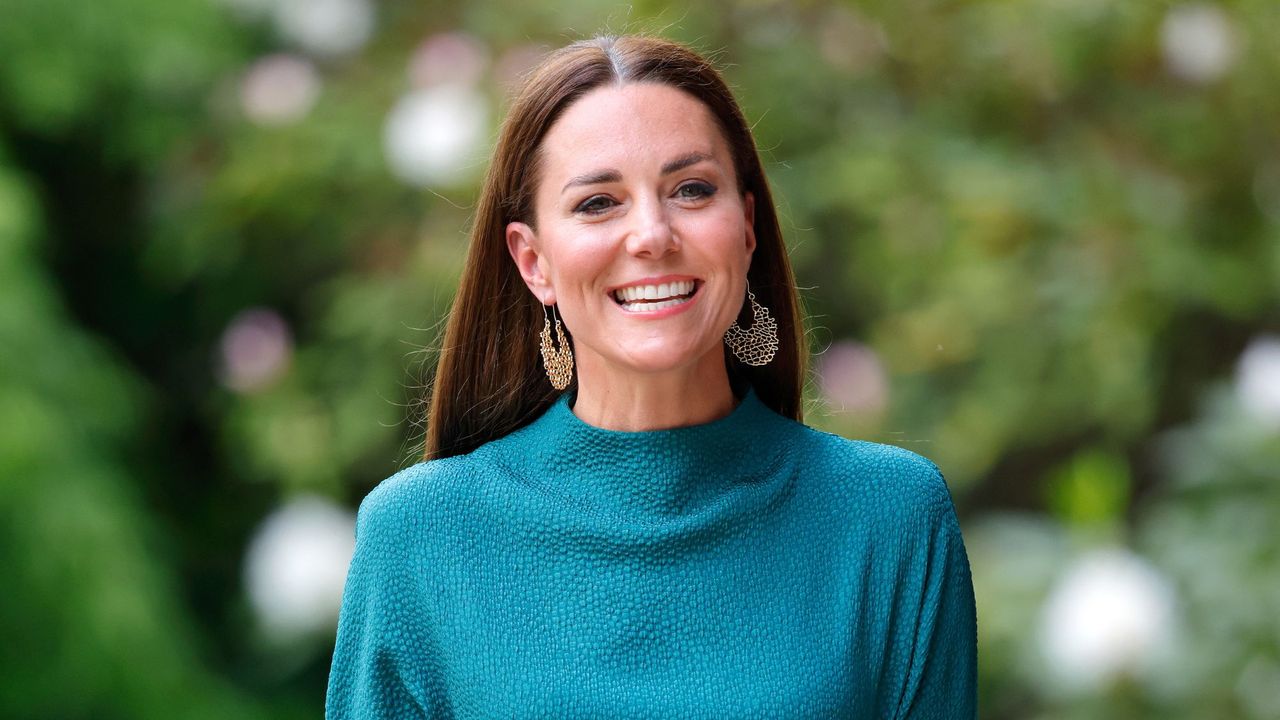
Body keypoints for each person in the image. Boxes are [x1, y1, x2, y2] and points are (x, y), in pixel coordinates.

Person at [326, 34, 977, 719]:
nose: (652, 234)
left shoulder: (890, 519)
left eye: (691, 190)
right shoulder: (421, 536)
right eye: (598, 202)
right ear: (533, 261)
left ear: (747, 225)